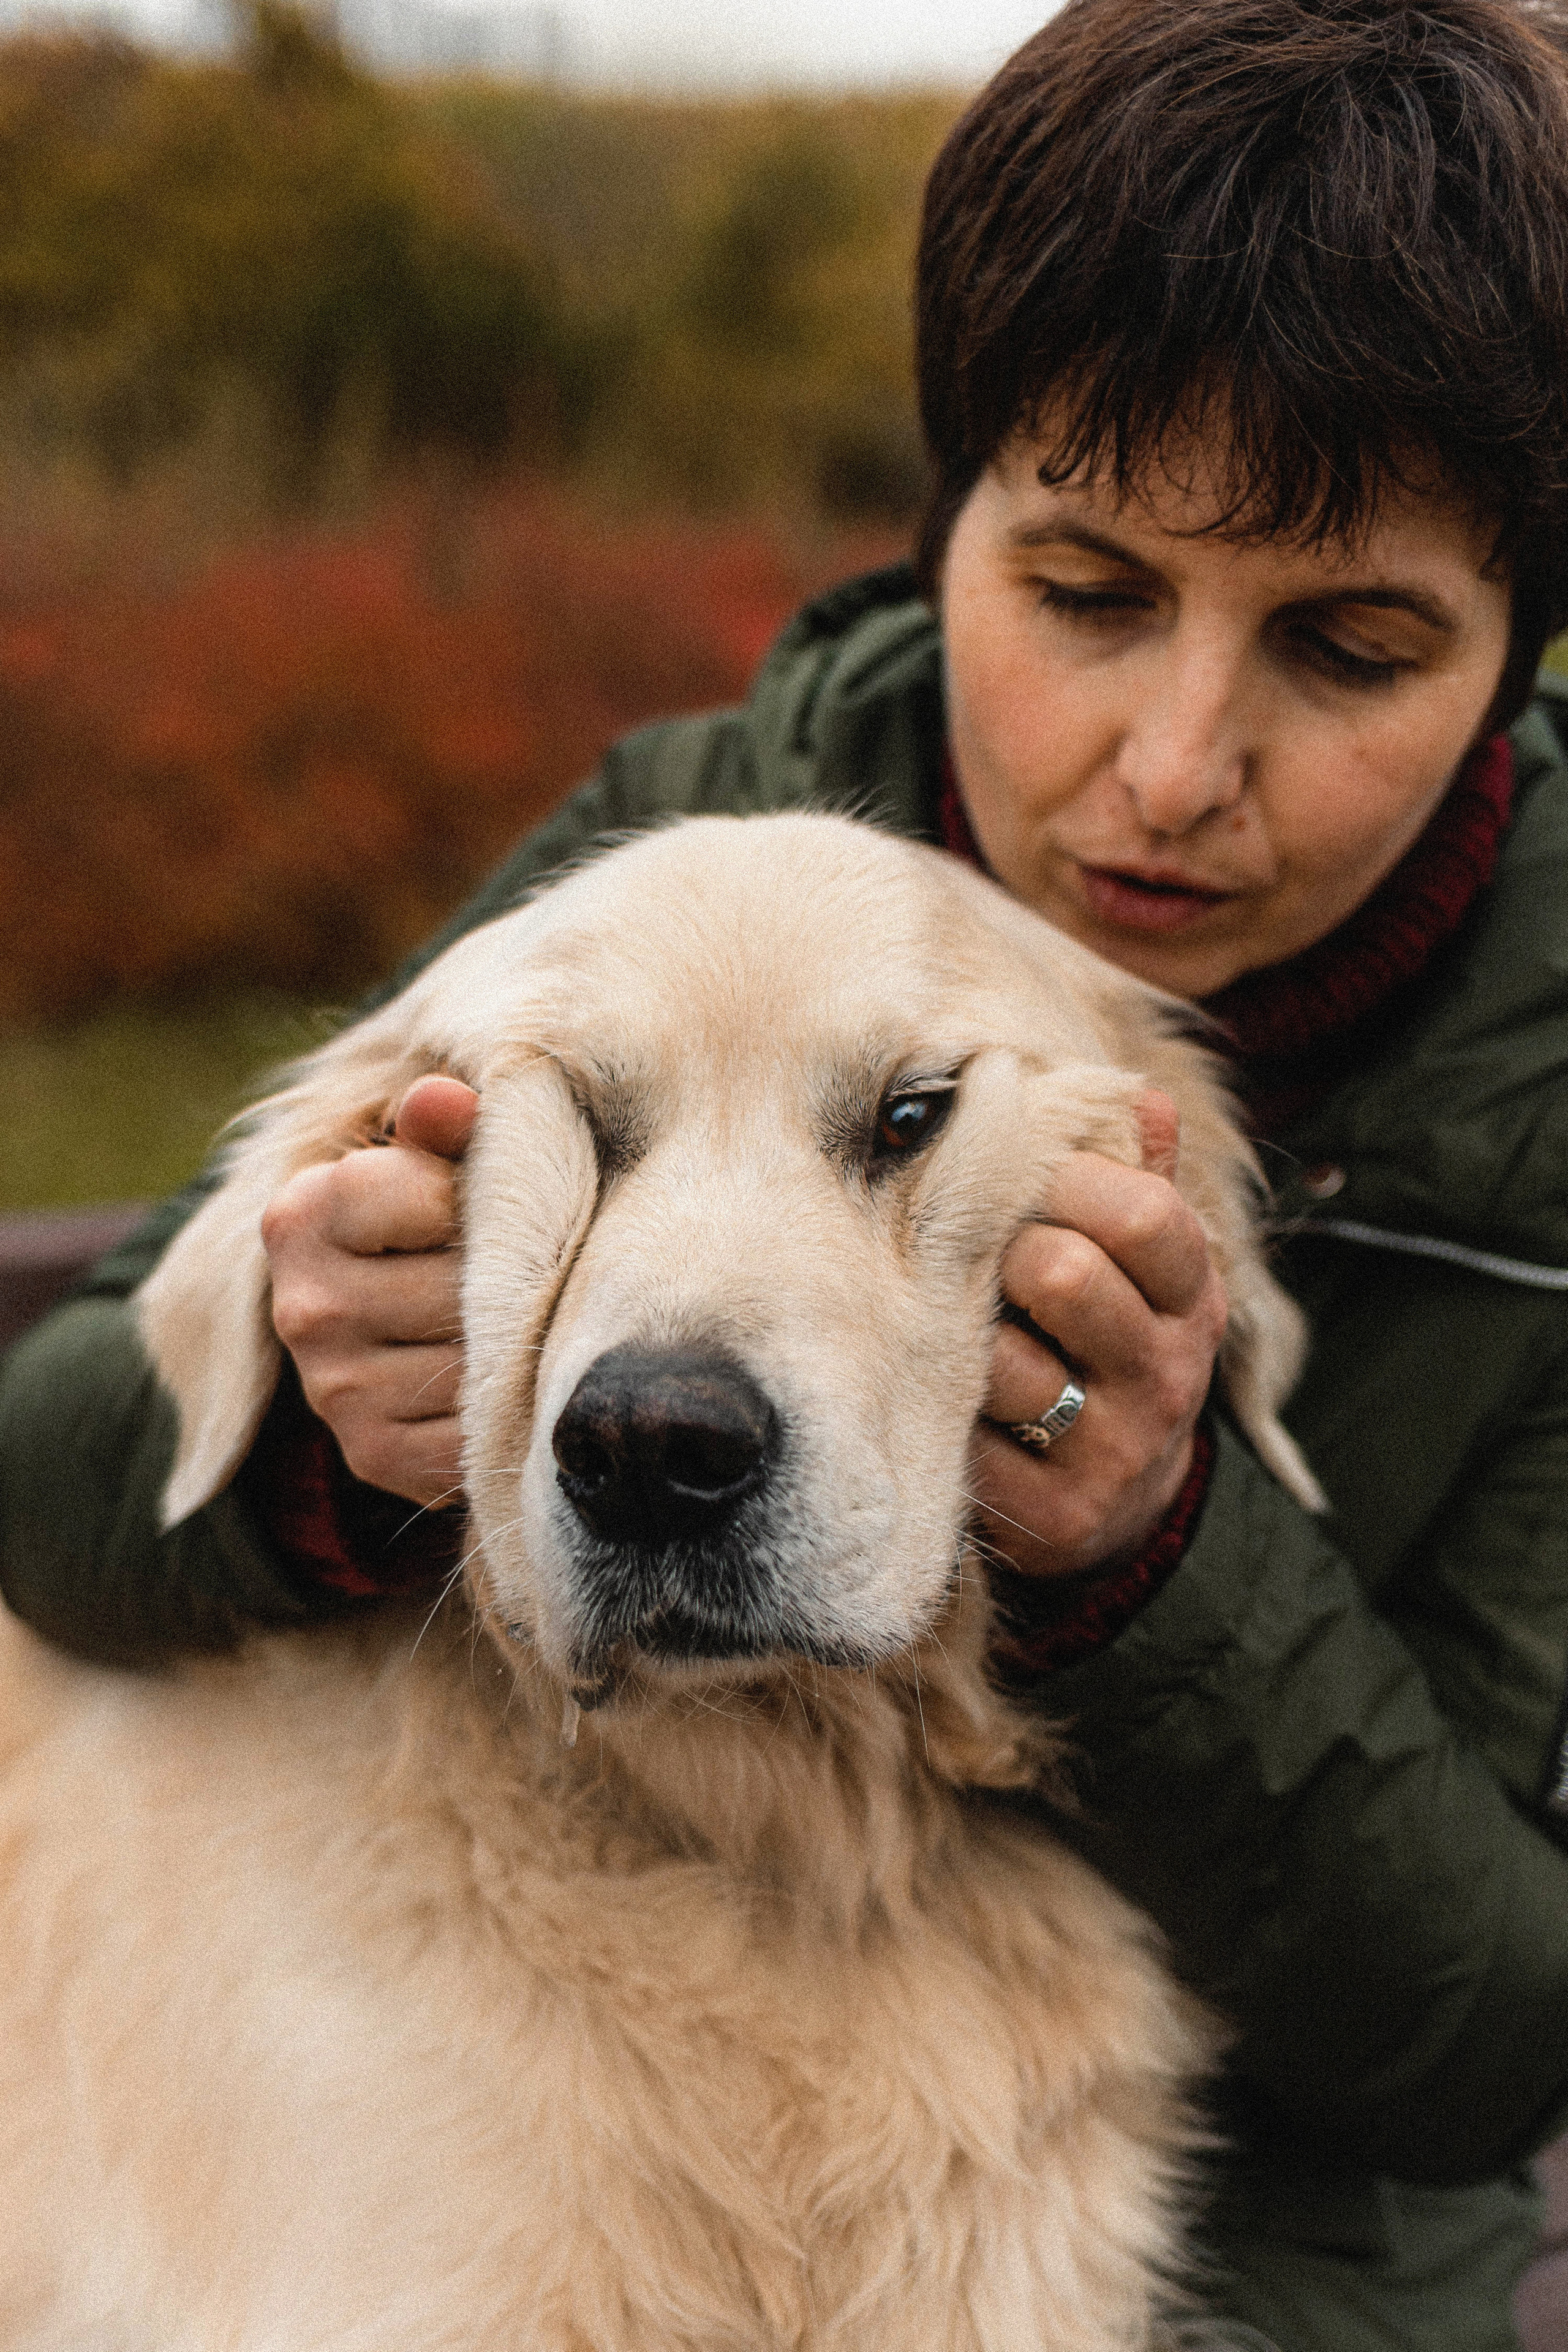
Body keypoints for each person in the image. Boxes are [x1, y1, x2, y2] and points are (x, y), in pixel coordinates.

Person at [5, 0, 1568, 2342]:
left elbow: (1484, 2042)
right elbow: (59, 1478)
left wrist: (1155, 1554)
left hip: (1303, 2144)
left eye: (1346, 647)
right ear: (945, 522)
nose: (1168, 769)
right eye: (1086, 591)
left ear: (1522, 659)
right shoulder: (659, 859)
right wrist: (340, 1411)